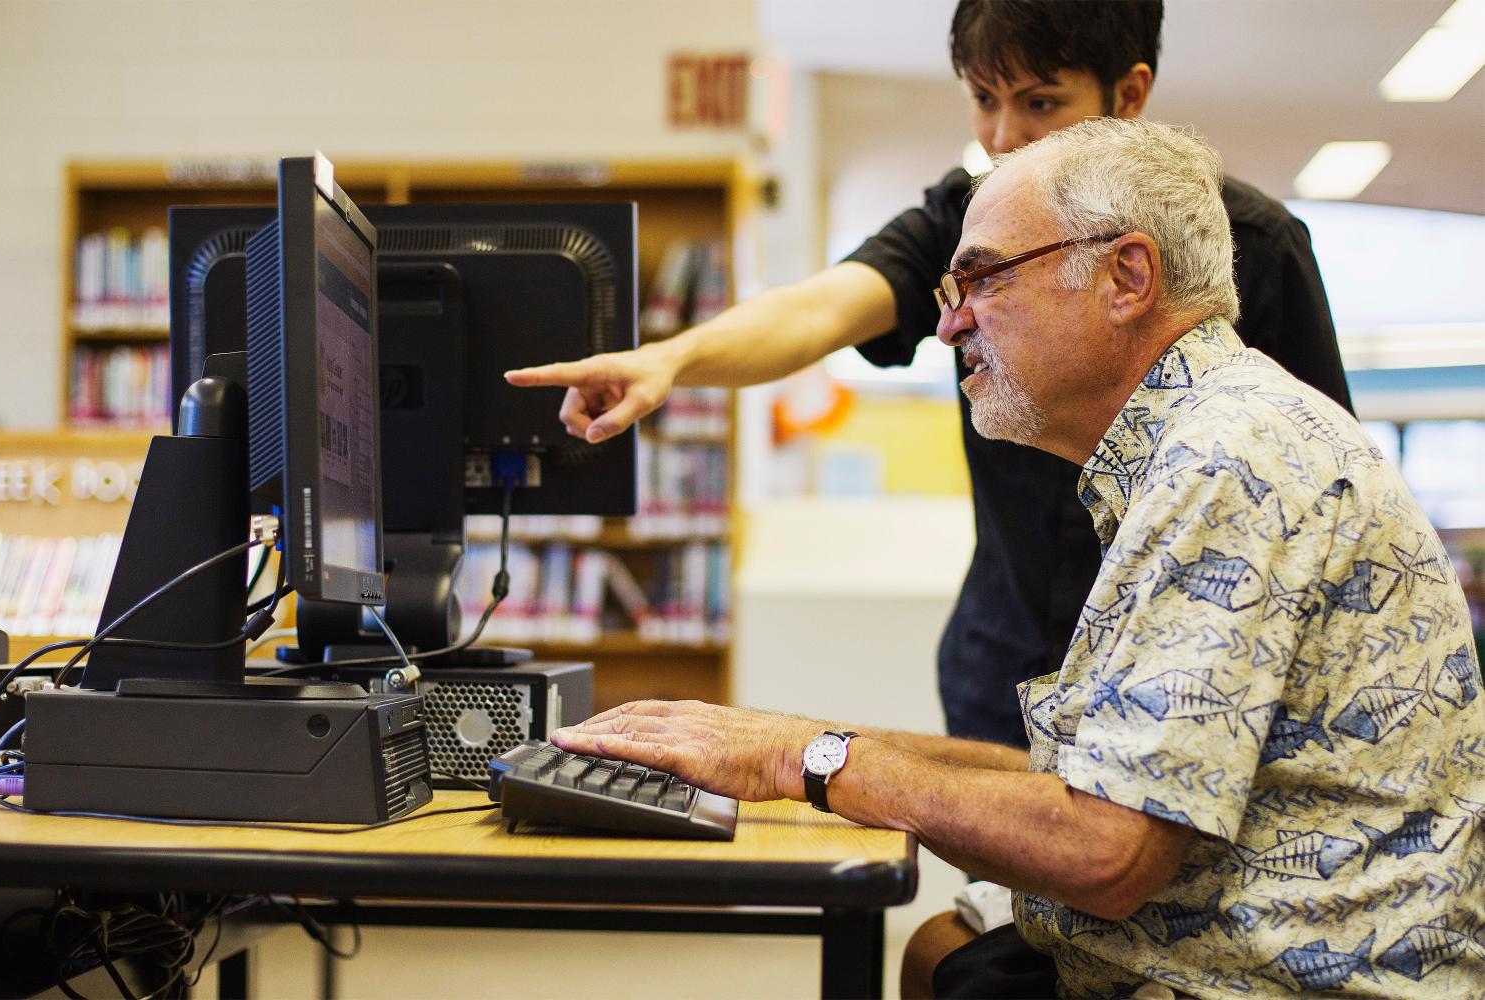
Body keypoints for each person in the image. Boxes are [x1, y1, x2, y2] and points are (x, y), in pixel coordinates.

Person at [550, 119, 1485, 998]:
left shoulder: (1230, 461)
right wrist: (774, 738)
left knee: (943, 958)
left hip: (1274, 978)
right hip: (1243, 940)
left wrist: (805, 757)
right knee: (938, 952)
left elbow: (1106, 853)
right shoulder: (1198, 442)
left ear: (1126, 278)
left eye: (984, 279)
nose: (950, 326)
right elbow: (1084, 781)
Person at [506, 0, 1353, 753]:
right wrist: (672, 358)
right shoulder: (967, 217)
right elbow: (822, 309)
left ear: (1127, 95)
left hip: (1189, 673)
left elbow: (1322, 482)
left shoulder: (1253, 246)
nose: (1004, 136)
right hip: (1008, 664)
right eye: (985, 99)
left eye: (1041, 102)